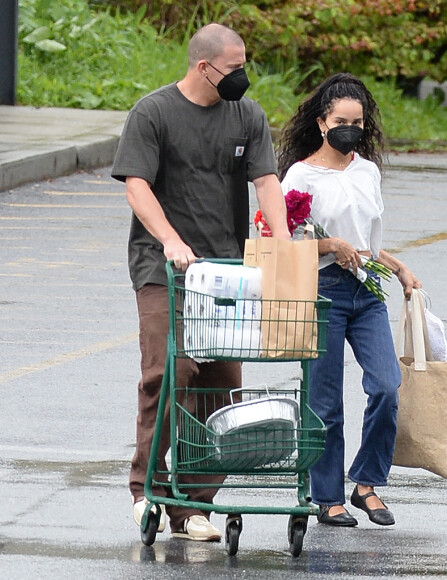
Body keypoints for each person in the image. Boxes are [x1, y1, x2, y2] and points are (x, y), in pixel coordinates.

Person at [111, 23, 290, 541]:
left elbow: (267, 182)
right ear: (203, 67)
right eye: (234, 68)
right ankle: (146, 488)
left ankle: (193, 507)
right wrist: (169, 239)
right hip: (162, 266)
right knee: (171, 371)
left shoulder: (246, 116)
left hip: (225, 272)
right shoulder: (154, 113)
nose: (243, 77)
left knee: (219, 383)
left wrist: (279, 239)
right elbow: (138, 188)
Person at [277, 73, 421, 528]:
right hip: (322, 292)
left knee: (386, 385)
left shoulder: (367, 171)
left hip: (366, 288)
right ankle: (327, 497)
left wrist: (397, 267)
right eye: (342, 121)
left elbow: (366, 243)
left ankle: (365, 483)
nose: (350, 129)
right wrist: (327, 245)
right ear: (322, 123)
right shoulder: (299, 176)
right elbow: (279, 239)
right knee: (325, 401)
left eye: (358, 122)